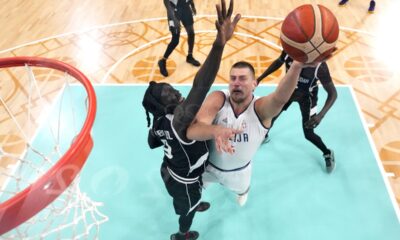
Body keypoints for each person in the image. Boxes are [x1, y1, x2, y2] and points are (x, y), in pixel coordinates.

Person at [143, 1, 241, 239]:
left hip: (172, 171)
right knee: (186, 210)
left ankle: (193, 203)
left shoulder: (158, 122)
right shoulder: (179, 120)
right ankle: (182, 233)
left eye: (172, 88)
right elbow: (201, 85)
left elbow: (152, 143)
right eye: (170, 93)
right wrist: (219, 45)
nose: (177, 92)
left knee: (191, 196)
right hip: (183, 182)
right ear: (164, 105)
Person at [187, 56, 326, 206]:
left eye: (242, 79)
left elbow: (279, 98)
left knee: (241, 190)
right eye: (232, 79)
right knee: (194, 191)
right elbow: (192, 131)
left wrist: (296, 67)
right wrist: (216, 130)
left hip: (239, 172)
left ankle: (243, 192)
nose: (236, 83)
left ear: (254, 84)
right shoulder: (218, 98)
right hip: (206, 167)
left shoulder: (260, 109)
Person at [257, 50, 337, 174]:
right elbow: (279, 61)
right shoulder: (291, 50)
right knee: (272, 115)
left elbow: (333, 94)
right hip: (288, 91)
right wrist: (259, 78)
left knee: (308, 134)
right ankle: (264, 135)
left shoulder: (319, 66)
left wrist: (320, 115)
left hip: (308, 98)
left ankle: (327, 153)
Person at [158, 0, 201, 77]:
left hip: (186, 8)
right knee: (175, 40)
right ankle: (163, 61)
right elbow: (167, 4)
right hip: (174, 12)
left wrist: (193, 6)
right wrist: (174, 19)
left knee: (191, 33)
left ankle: (190, 56)